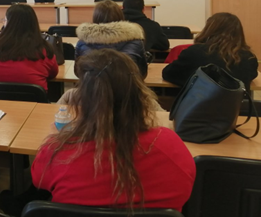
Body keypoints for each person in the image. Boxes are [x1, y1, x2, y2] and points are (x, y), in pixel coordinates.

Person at [32, 49, 195, 212]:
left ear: (83, 101)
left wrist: (58, 138)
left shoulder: (57, 152)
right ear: (139, 95)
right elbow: (187, 186)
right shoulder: (171, 146)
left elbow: (39, 181)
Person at [163, 12, 258, 90]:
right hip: (236, 106)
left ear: (208, 30)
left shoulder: (194, 52)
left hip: (197, 105)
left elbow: (168, 73)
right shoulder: (249, 57)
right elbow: (251, 76)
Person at [0, 4, 58, 91]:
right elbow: (53, 73)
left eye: (5, 20)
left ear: (8, 23)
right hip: (33, 98)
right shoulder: (44, 49)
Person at [75, 0, 148, 78]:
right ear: (121, 16)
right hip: (127, 85)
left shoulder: (82, 42)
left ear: (95, 18)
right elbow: (142, 73)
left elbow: (78, 72)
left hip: (91, 85)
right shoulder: (136, 42)